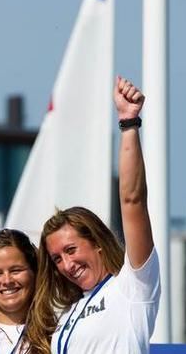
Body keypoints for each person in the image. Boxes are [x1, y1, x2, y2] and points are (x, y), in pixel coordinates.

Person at [28, 76, 160, 354]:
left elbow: (133, 200)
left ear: (98, 243)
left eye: (71, 249)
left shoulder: (131, 288)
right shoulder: (67, 315)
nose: (67, 264)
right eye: (57, 258)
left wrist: (128, 124)